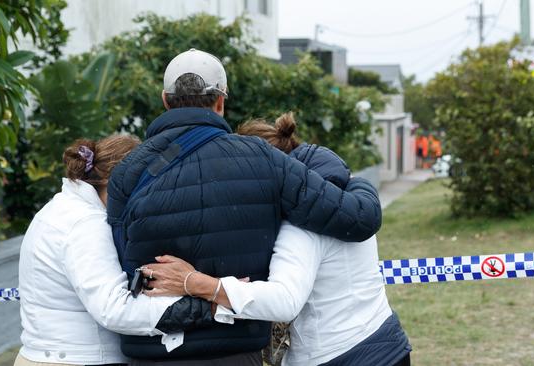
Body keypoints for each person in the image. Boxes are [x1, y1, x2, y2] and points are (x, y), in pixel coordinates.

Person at [106, 49, 383, 365]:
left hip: (151, 350)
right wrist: (353, 180)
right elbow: (359, 219)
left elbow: (123, 269)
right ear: (221, 102)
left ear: (165, 100)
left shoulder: (128, 172)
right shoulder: (261, 158)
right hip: (235, 350)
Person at [143, 113, 412, 366]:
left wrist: (196, 283)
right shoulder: (338, 199)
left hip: (342, 354)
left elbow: (285, 300)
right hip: (385, 341)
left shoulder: (304, 224)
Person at [15, 135, 210, 366]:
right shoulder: (86, 223)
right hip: (78, 359)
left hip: (45, 355)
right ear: (116, 182)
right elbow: (114, 310)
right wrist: (207, 303)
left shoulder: (59, 208)